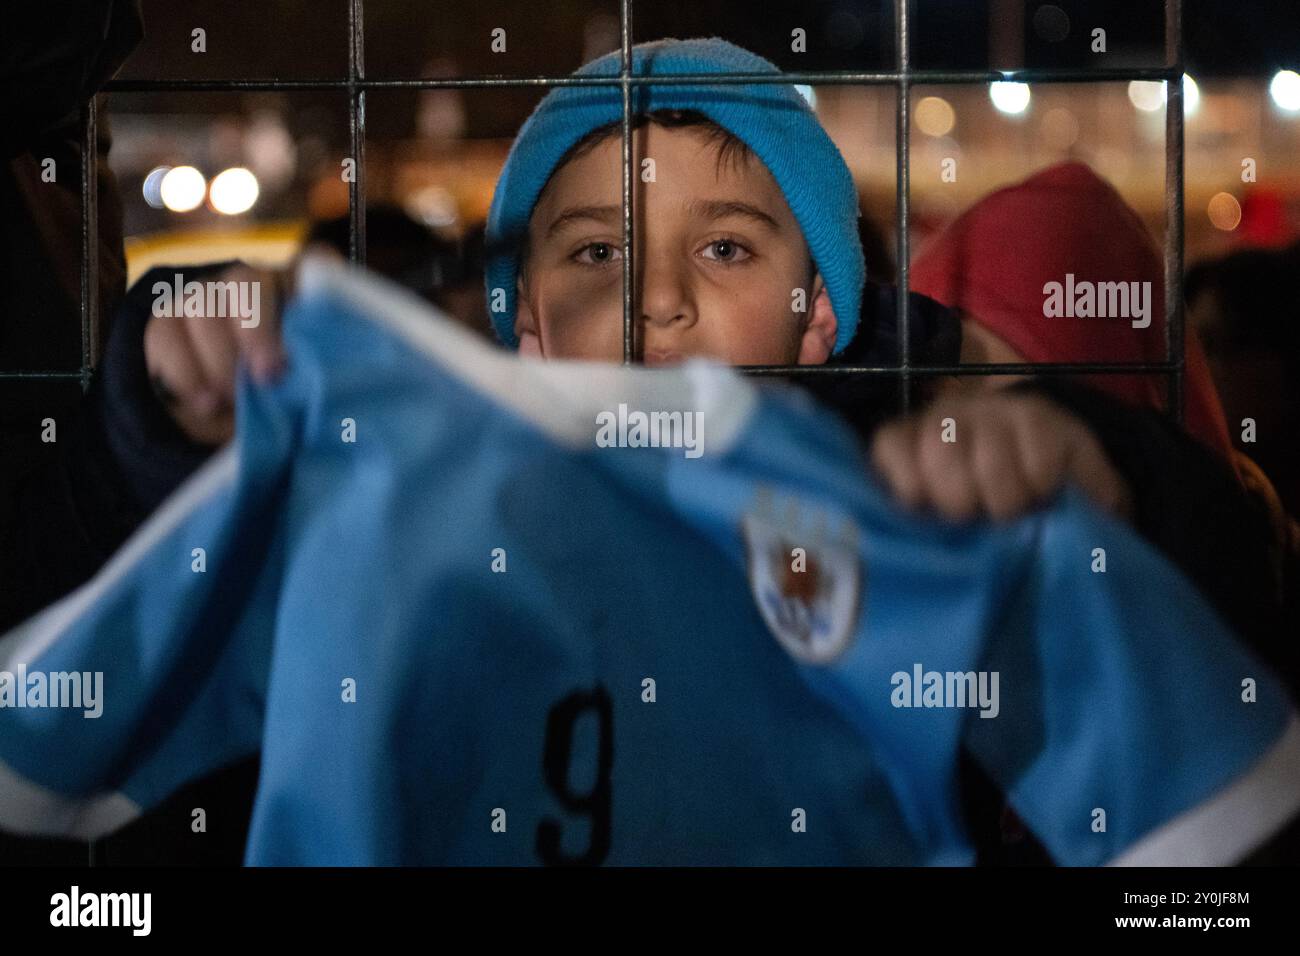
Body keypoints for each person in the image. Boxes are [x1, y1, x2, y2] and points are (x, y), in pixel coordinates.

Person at [1, 36, 1292, 864]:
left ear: (822, 311)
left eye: (726, 248)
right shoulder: (386, 487)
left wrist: (1086, 469)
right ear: (530, 327)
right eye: (594, 253)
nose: (656, 297)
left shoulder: (908, 503)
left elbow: (1213, 747)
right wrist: (164, 422)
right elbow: (67, 701)